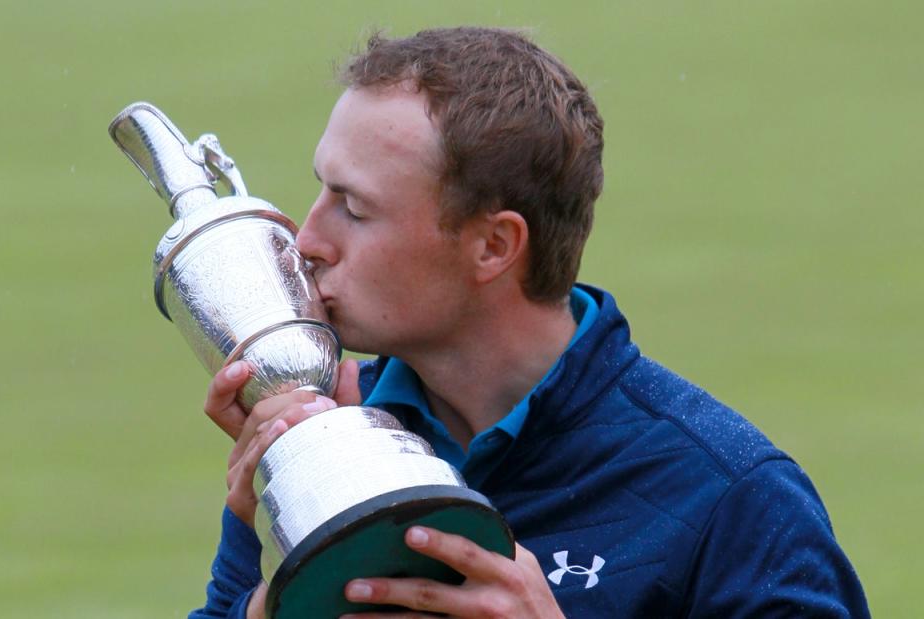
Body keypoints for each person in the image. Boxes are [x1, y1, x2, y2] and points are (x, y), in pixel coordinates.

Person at [189, 27, 869, 618]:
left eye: (353, 207)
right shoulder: (317, 440)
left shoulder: (730, 496)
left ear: (494, 246)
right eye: (321, 188)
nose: (306, 240)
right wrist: (284, 575)